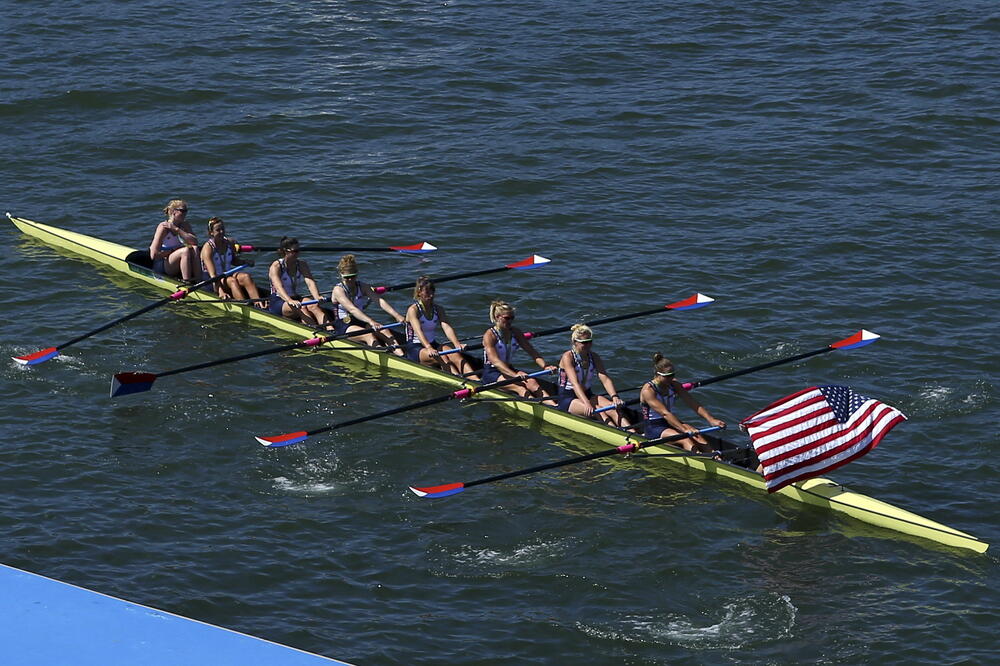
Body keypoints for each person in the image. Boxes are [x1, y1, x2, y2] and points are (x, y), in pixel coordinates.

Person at [639, 353, 726, 454]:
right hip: (653, 427)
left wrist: (711, 419)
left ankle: (716, 457)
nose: (671, 378)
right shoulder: (648, 390)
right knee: (685, 439)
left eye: (673, 375)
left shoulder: (674, 385)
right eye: (667, 376)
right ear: (658, 375)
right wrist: (684, 430)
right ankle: (700, 458)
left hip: (669, 423)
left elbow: (693, 403)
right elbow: (665, 413)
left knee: (697, 435)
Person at [556, 324, 631, 427]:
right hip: (567, 397)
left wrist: (615, 397)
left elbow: (604, 378)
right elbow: (575, 384)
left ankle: (632, 432)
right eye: (584, 343)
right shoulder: (567, 357)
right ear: (575, 342)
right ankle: (616, 433)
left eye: (589, 342)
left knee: (613, 408)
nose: (588, 345)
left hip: (587, 394)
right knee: (599, 411)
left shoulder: (594, 357)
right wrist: (586, 403)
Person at [403, 276, 478, 379]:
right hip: (415, 348)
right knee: (442, 356)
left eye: (433, 291)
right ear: (419, 292)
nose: (431, 295)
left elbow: (446, 327)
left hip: (433, 345)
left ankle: (476, 380)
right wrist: (428, 347)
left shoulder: (438, 309)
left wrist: (457, 344)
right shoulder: (413, 310)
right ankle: (458, 380)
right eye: (428, 292)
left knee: (455, 355)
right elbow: (418, 331)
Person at [330, 254, 405, 353]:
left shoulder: (363, 286)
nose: (350, 280)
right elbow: (353, 309)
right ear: (340, 275)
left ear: (357, 274)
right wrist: (371, 321)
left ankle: (401, 356)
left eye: (353, 276)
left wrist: (397, 315)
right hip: (343, 324)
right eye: (347, 277)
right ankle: (382, 354)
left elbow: (380, 301)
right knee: (368, 335)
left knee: (385, 331)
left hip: (360, 321)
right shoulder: (338, 290)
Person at [480, 300, 555, 400]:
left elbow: (532, 352)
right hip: (492, 373)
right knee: (520, 388)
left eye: (512, 318)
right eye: (507, 318)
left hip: (509, 369)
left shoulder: (515, 332)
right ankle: (535, 406)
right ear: (497, 317)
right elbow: (495, 361)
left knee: (532, 382)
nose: (510, 321)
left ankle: (554, 406)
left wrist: (545, 366)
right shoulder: (490, 335)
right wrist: (515, 375)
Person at [267, 236, 332, 329]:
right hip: (279, 301)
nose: (298, 254)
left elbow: (310, 281)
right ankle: (315, 330)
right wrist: (289, 300)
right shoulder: (276, 266)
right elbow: (279, 288)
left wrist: (317, 296)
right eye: (295, 251)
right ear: (286, 251)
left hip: (295, 298)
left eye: (298, 250)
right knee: (300, 308)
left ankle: (331, 330)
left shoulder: (301, 264)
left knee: (314, 305)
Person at [200, 217, 265, 308]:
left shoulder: (228, 243)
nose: (222, 232)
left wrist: (245, 262)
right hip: (212, 281)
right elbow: (213, 275)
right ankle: (245, 306)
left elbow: (234, 261)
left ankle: (259, 303)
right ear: (211, 233)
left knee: (246, 277)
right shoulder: (208, 248)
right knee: (232, 281)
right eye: (218, 230)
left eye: (223, 229)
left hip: (226, 275)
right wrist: (221, 292)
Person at [149, 199, 201, 281]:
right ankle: (186, 281)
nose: (185, 213)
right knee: (185, 251)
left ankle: (198, 279)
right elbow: (153, 254)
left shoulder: (185, 225)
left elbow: (195, 242)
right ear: (174, 212)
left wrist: (177, 230)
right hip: (162, 264)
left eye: (186, 211)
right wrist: (172, 251)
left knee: (194, 248)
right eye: (182, 211)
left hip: (175, 260)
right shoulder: (163, 227)